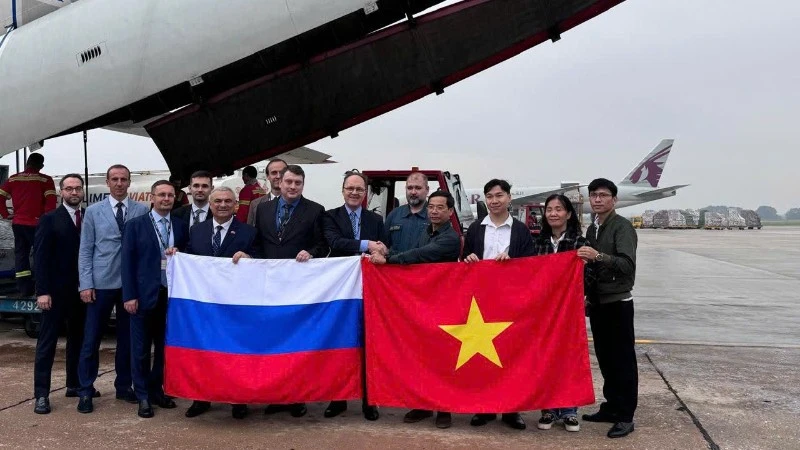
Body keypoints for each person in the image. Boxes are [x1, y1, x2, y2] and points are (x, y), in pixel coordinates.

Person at [370, 190, 460, 428]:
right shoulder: (425, 231)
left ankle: (444, 409)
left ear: (450, 211)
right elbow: (410, 253)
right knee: (422, 356)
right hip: (423, 303)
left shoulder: (451, 238)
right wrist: (387, 253)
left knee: (442, 358)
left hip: (443, 304)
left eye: (440, 207)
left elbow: (421, 254)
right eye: (431, 207)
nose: (434, 211)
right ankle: (423, 404)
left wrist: (388, 260)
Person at [253, 164, 327, 417]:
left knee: (296, 344)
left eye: (298, 183)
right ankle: (276, 395)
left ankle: (297, 397)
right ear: (279, 183)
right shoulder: (263, 209)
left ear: (303, 185)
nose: (292, 187)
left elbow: (322, 244)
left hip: (299, 289)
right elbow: (258, 242)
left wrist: (311, 252)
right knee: (272, 342)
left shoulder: (315, 210)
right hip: (269, 288)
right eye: (289, 182)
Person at [77, 164, 149, 413]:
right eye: (115, 179)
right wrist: (86, 283)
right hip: (101, 283)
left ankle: (124, 386)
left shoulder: (142, 210)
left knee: (127, 339)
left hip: (130, 285)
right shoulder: (93, 212)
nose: (119, 183)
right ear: (107, 183)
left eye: (123, 179)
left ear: (129, 182)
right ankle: (85, 389)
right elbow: (85, 249)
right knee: (91, 338)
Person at [461, 179, 533, 430]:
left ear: (509, 198)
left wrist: (513, 262)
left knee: (511, 355)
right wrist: (468, 258)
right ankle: (485, 407)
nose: (494, 201)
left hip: (511, 301)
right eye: (490, 196)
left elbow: (531, 264)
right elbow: (464, 260)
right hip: (481, 302)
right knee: (483, 359)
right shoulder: (476, 229)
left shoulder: (521, 230)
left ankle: (511, 410)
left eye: (499, 195)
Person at [180, 186, 257, 420]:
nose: (222, 205)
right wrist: (176, 255)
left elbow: (261, 259)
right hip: (204, 306)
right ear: (210, 204)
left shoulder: (249, 232)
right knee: (204, 352)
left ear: (236, 205)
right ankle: (201, 398)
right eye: (218, 201)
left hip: (235, 306)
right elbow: (189, 258)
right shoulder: (196, 230)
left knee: (235, 353)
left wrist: (249, 257)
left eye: (227, 201)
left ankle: (238, 399)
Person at [576, 178, 638, 439]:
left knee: (623, 360)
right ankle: (611, 406)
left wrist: (598, 256)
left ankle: (625, 415)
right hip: (599, 303)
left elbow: (627, 265)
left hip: (618, 303)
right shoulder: (594, 228)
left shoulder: (622, 227)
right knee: (605, 358)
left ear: (614, 199)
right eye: (594, 195)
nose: (598, 199)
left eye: (603, 195)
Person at [122, 180, 189, 418]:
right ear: (152, 197)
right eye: (161, 195)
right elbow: (127, 263)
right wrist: (129, 295)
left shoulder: (180, 226)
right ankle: (142, 396)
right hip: (142, 296)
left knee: (164, 348)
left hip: (171, 296)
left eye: (170, 195)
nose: (166, 199)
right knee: (140, 349)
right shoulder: (135, 225)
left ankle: (156, 390)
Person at [321, 171, 385, 421]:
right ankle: (338, 399)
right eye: (350, 188)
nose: (355, 193)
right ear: (343, 190)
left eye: (359, 189)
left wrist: (382, 250)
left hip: (369, 291)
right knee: (340, 343)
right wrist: (368, 245)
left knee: (369, 345)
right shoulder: (330, 216)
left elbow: (384, 245)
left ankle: (369, 400)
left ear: (365, 192)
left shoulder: (375, 219)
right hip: (341, 292)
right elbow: (335, 242)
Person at [31, 174, 87, 414]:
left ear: (82, 191)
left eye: (78, 188)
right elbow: (40, 258)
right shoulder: (49, 219)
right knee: (47, 344)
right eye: (69, 189)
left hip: (81, 293)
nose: (74, 192)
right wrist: (42, 291)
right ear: (61, 192)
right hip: (54, 294)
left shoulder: (88, 217)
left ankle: (74, 384)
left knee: (78, 341)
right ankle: (41, 394)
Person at [532, 193, 587, 433]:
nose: (553, 213)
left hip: (568, 310)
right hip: (543, 311)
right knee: (545, 357)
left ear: (568, 214)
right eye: (549, 210)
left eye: (558, 209)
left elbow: (588, 276)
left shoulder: (580, 243)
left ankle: (569, 410)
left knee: (568, 357)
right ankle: (548, 408)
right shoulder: (538, 243)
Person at [0, 153, 57, 296]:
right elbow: (51, 204)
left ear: (27, 163)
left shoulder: (13, 179)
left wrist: (6, 214)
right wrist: (47, 221)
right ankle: (41, 288)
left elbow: (0, 197)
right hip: (38, 224)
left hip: (18, 223)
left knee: (21, 255)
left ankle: (24, 289)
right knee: (41, 254)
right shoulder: (45, 180)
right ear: (41, 166)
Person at [383, 172, 430, 252]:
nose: (413, 192)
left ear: (427, 189)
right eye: (409, 188)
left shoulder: (434, 216)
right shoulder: (394, 215)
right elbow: (384, 246)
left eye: (418, 188)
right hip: (395, 260)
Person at [247, 159, 287, 226]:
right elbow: (250, 230)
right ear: (268, 176)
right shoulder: (255, 204)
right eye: (274, 173)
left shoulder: (299, 203)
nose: (278, 176)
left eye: (282, 172)